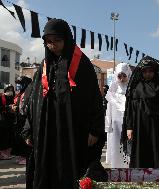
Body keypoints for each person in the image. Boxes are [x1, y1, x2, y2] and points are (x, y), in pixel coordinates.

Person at [22, 18, 105, 189]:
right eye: (49, 42)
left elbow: (94, 99)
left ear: (66, 39)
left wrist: (95, 129)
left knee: (72, 173)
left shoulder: (82, 65)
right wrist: (29, 129)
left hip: (73, 131)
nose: (53, 46)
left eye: (57, 41)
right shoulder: (45, 66)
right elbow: (33, 100)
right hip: (46, 133)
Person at [121, 56, 159, 168]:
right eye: (145, 71)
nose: (148, 74)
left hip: (156, 127)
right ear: (141, 72)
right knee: (139, 152)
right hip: (139, 127)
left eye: (150, 71)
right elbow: (129, 109)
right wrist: (129, 127)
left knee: (156, 152)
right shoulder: (136, 88)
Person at [105, 63, 132, 168]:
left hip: (128, 125)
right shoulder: (112, 91)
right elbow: (109, 110)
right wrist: (108, 125)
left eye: (124, 76)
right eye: (119, 76)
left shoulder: (132, 90)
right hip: (115, 125)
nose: (121, 79)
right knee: (116, 146)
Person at [11, 76, 33, 165]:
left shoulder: (28, 93)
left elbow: (26, 108)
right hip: (19, 120)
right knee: (19, 138)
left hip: (25, 120)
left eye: (20, 84)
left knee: (25, 137)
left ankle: (25, 156)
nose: (18, 85)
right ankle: (22, 155)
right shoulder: (20, 93)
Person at [0, 84, 15, 160]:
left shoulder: (13, 97)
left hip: (11, 120)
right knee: (3, 136)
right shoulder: (2, 97)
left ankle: (7, 153)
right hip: (3, 120)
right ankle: (2, 154)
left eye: (11, 90)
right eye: (8, 90)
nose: (10, 92)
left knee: (9, 137)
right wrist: (7, 107)